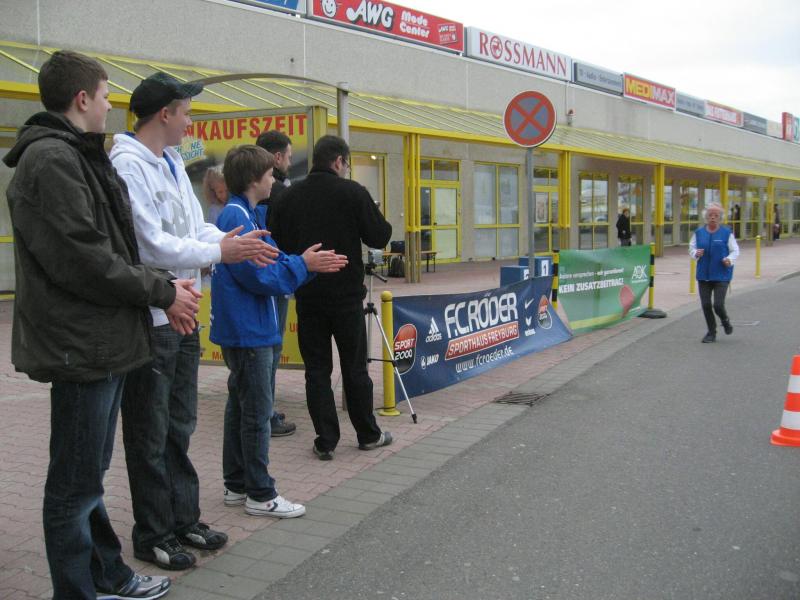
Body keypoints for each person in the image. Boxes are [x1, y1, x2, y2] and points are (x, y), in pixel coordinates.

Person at [3, 50, 200, 600]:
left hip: (100, 340)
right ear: (82, 98)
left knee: (86, 475)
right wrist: (161, 289)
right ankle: (79, 589)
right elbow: (85, 259)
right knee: (75, 482)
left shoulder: (76, 154)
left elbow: (115, 248)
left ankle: (106, 574)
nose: (112, 105)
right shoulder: (52, 160)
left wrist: (161, 285)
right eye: (107, 95)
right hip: (80, 344)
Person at [110, 72, 279, 571]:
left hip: (182, 311)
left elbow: (190, 227)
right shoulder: (128, 165)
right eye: (186, 112)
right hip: (154, 314)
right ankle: (153, 533)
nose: (190, 122)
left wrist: (228, 242)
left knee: (179, 425)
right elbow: (149, 244)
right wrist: (222, 251)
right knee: (151, 430)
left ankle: (183, 518)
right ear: (164, 113)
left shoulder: (169, 162)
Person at [211, 145, 347, 514]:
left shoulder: (246, 213)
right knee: (256, 413)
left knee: (241, 408)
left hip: (248, 328)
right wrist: (304, 265)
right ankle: (260, 492)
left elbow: (272, 258)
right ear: (254, 179)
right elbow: (261, 275)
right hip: (249, 330)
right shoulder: (237, 216)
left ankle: (237, 484)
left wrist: (304, 263)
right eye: (270, 175)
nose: (274, 180)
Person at [270, 135, 393, 461]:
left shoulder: (289, 196)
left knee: (316, 370)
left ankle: (325, 440)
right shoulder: (353, 192)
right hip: (346, 297)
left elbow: (277, 242)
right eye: (346, 164)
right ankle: (368, 434)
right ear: (339, 161)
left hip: (308, 295)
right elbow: (380, 235)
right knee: (355, 368)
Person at [256, 130, 296, 437]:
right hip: (273, 279)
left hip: (265, 278)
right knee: (270, 347)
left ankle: (263, 408)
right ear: (277, 157)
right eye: (288, 157)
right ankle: (265, 413)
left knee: (267, 349)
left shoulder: (246, 199)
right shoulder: (278, 194)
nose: (289, 164)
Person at [689, 202, 739, 343]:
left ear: (720, 218)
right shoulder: (699, 233)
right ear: (706, 217)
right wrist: (695, 253)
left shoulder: (726, 233)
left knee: (718, 305)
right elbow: (691, 248)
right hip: (703, 275)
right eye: (710, 215)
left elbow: (735, 250)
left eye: (716, 215)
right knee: (706, 305)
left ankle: (725, 320)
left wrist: (729, 259)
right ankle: (711, 332)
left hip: (721, 274)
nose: (713, 217)